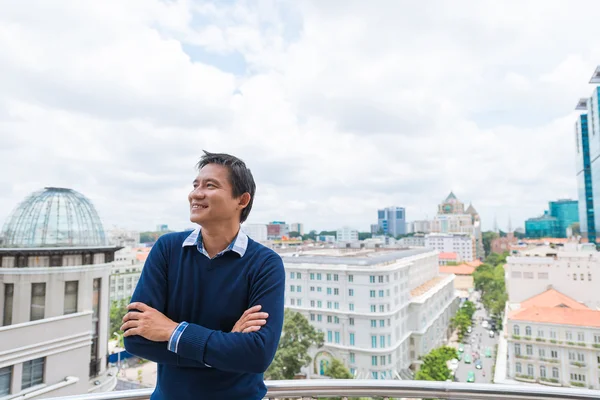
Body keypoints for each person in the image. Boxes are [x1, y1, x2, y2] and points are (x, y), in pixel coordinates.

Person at [121, 151, 285, 399]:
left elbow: (257, 355)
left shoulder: (265, 264)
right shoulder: (167, 250)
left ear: (242, 200)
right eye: (195, 185)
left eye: (210, 185)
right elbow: (136, 339)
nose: (196, 193)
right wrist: (226, 346)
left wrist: (171, 331)